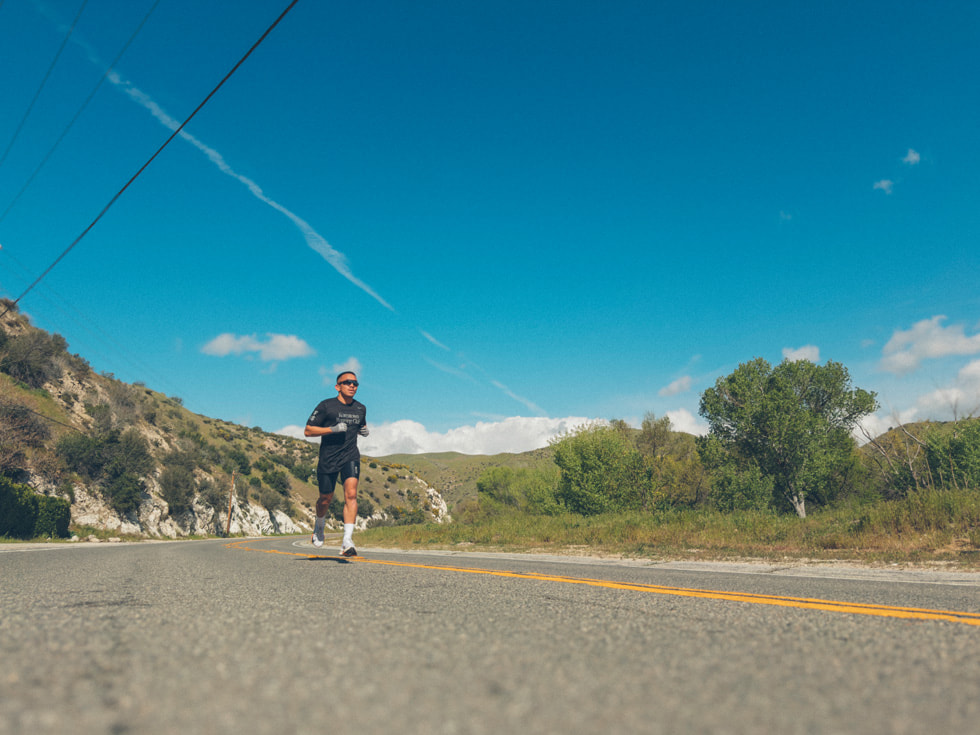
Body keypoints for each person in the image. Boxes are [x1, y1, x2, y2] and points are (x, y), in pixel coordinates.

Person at [304, 371, 368, 556]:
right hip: (328, 458)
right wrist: (331, 429)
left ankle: (347, 541)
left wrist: (363, 431)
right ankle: (319, 525)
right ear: (337, 386)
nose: (352, 385)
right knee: (325, 499)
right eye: (347, 382)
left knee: (351, 494)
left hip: (350, 456)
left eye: (355, 383)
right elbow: (308, 431)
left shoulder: (361, 408)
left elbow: (360, 426)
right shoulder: (326, 405)